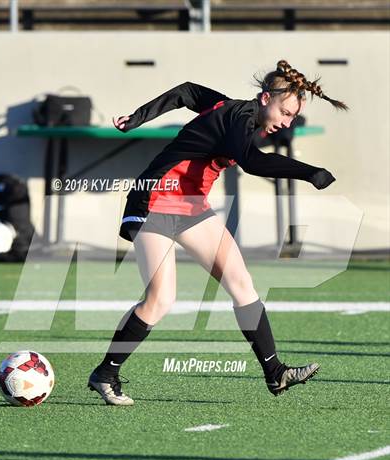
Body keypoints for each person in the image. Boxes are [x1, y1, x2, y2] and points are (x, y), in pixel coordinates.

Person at [88, 59, 348, 406]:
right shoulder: (239, 117)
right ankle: (105, 373)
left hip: (191, 206)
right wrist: (310, 172)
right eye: (285, 113)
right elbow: (253, 162)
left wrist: (138, 117)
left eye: (292, 118)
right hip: (155, 200)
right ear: (264, 97)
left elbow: (187, 92)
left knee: (242, 285)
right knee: (161, 299)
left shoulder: (226, 107)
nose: (287, 123)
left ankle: (275, 373)